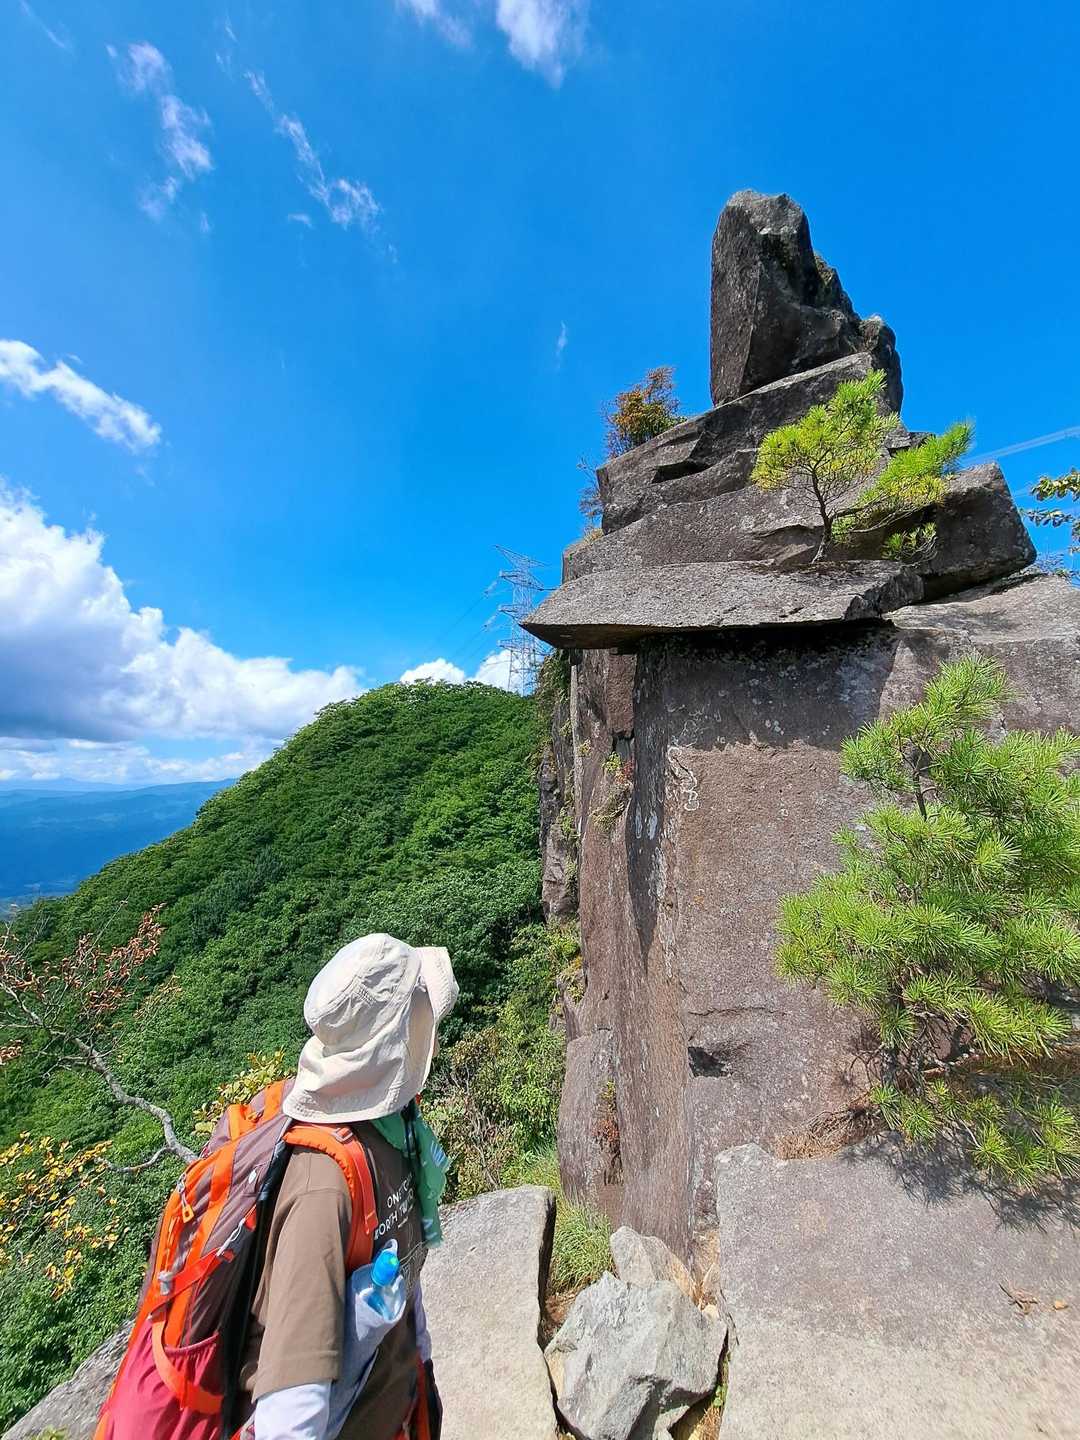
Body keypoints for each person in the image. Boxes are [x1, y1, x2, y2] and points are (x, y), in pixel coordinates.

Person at [241, 933, 458, 1440]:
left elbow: (400, 1270)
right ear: (396, 1039)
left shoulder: (393, 1128)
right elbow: (288, 1420)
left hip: (401, 1407)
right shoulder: (321, 1189)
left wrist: (422, 1368)